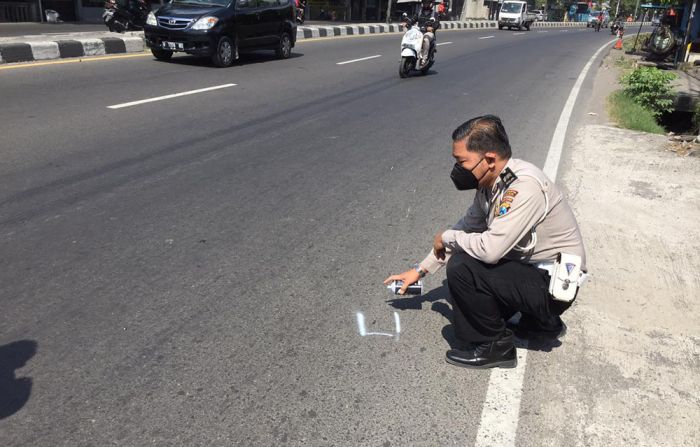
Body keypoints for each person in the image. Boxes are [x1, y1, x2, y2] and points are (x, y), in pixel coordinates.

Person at [384, 115, 586, 369]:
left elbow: (488, 250)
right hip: (535, 276)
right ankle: (541, 322)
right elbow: (466, 228)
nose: (458, 169)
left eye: (462, 162)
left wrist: (446, 237)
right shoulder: (490, 184)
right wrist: (418, 271)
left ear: (489, 159)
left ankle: (496, 347)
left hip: (554, 287)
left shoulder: (523, 187)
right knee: (469, 296)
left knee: (462, 267)